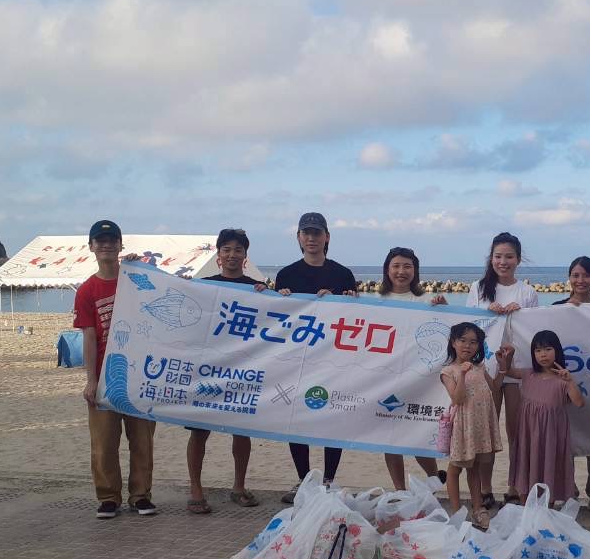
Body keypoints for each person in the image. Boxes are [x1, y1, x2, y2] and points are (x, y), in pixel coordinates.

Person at [74, 219, 156, 520]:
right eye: (100, 241)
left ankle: (140, 495)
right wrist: (91, 380)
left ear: (121, 245)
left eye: (112, 240)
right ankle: (108, 497)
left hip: (139, 375)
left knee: (142, 441)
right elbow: (89, 337)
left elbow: (161, 293)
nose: (106, 245)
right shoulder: (87, 290)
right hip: (105, 377)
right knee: (104, 444)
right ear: (91, 247)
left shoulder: (135, 278)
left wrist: (141, 268)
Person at [275, 212, 359, 502]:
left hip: (333, 359)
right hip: (297, 359)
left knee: (332, 417)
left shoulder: (342, 274)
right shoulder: (286, 275)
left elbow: (356, 316)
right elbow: (275, 317)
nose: (311, 238)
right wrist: (280, 298)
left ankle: (328, 480)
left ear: (327, 237)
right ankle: (304, 480)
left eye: (317, 232)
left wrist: (345, 300)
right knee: (296, 420)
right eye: (306, 233)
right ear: (298, 238)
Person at [185, 228, 264, 514]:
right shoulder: (204, 286)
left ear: (245, 255)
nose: (232, 255)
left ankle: (239, 487)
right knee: (199, 432)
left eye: (238, 250)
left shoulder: (257, 288)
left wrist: (271, 295)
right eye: (226, 249)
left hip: (242, 369)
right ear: (218, 255)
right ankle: (196, 489)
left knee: (241, 431)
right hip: (207, 369)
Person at [467, 232, 538, 507]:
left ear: (518, 259)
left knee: (516, 433)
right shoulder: (478, 288)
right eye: (498, 256)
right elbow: (468, 327)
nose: (503, 262)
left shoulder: (527, 292)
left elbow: (534, 332)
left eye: (509, 256)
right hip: (486, 370)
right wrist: (489, 311)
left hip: (518, 369)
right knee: (487, 432)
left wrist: (521, 313)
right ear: (491, 258)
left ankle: (514, 486)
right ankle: (485, 489)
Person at [377, 246, 447, 489]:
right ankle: (400, 490)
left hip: (419, 380)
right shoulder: (375, 302)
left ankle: (434, 478)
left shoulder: (427, 301)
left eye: (407, 266)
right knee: (390, 438)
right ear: (387, 270)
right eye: (396, 266)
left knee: (416, 434)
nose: (401, 271)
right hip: (385, 378)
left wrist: (446, 308)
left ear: (415, 271)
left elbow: (447, 330)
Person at [496, 330, 584, 505]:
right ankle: (525, 507)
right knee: (525, 467)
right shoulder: (528, 374)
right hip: (528, 435)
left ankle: (547, 509)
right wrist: (508, 357)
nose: (543, 354)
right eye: (538, 350)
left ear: (557, 350)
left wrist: (570, 381)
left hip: (551, 437)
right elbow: (508, 371)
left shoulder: (562, 379)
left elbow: (579, 402)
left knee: (550, 467)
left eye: (548, 349)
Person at [551, 256, 590, 511]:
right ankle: (568, 489)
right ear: (569, 278)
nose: (580, 280)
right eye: (575, 275)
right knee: (566, 436)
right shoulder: (555, 308)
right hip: (563, 383)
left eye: (586, 275)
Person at [440, 322, 503, 528]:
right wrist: (462, 374)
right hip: (462, 425)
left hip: (479, 424)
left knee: (474, 467)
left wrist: (504, 366)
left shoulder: (480, 367)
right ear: (453, 342)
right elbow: (457, 399)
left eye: (473, 342)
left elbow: (495, 387)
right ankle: (456, 511)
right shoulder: (448, 371)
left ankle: (478, 508)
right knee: (455, 467)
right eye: (462, 340)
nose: (467, 346)